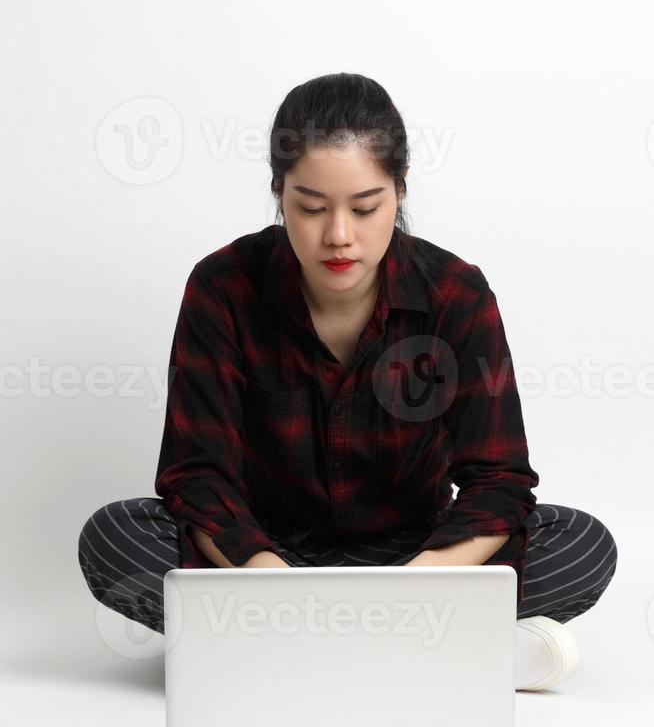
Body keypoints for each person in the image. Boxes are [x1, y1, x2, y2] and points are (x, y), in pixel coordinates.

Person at [78, 72, 618, 691]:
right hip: (265, 561)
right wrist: (268, 578)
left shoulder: (455, 295)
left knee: (580, 544)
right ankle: (442, 654)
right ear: (279, 193)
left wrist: (419, 584)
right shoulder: (223, 287)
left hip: (412, 559)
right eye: (311, 207)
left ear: (399, 192)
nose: (339, 235)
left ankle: (278, 654)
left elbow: (499, 481)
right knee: (116, 537)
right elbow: (196, 476)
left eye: (365, 208)